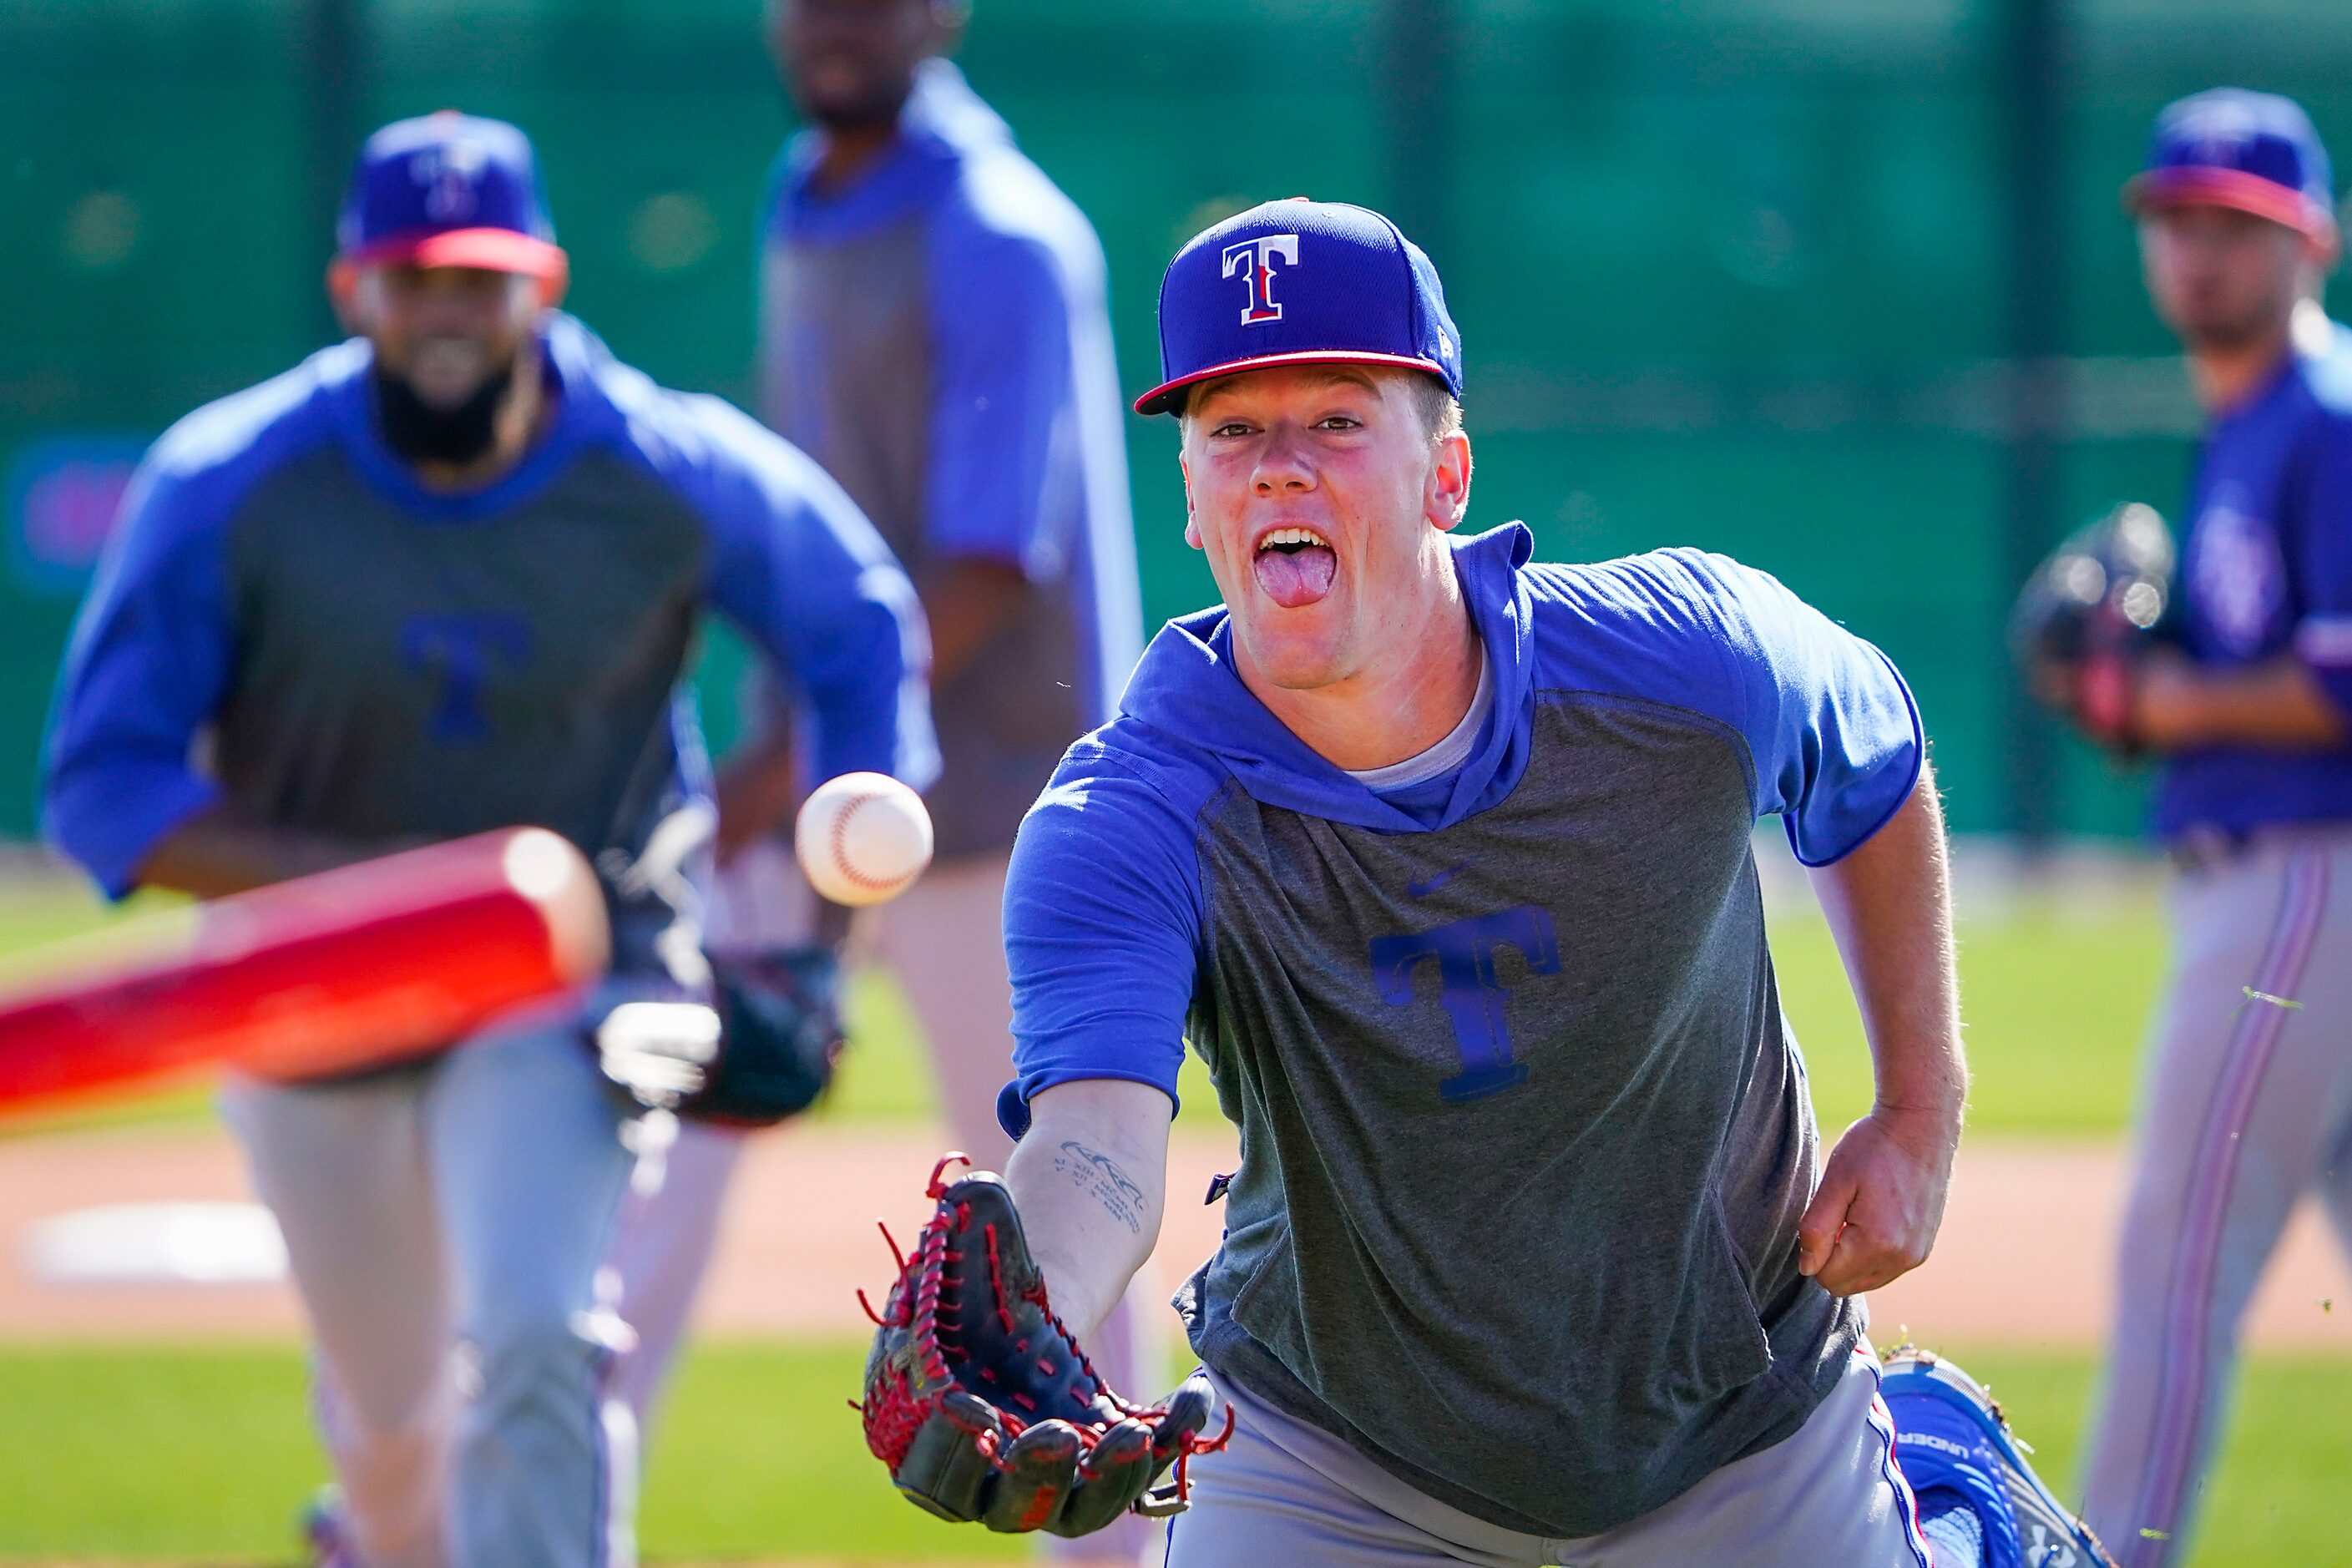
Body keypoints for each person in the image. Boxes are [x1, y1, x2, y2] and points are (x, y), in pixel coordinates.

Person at [912, 199, 2117, 1565]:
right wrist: (1042, 1306)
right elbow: (1095, 1137)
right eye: (1231, 430)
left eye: (1337, 420)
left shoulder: (1683, 663)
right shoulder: (1129, 813)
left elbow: (1876, 756)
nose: (1277, 469)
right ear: (1189, 497)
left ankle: (1937, 1512)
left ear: (1447, 473)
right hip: (1329, 1456)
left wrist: (1918, 1105)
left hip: (1740, 1426)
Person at [40, 111, 934, 1568]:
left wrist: (820, 927)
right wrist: (390, 904)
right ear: (353, 292)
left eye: (480, 278)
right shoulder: (233, 481)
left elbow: (854, 619)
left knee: (534, 1337)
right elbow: (103, 785)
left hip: (579, 979)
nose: (448, 310)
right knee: (394, 1420)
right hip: (312, 994)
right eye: (414, 279)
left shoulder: (653, 460)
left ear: (544, 285)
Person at [603, 3, 1154, 1554]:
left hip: (997, 811)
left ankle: (1123, 1555)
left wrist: (789, 761)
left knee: (1057, 1238)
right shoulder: (811, 192)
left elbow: (989, 562)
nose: (834, 20)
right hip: (822, 770)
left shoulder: (997, 231)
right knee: (640, 1170)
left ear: (939, 10)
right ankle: (489, 1522)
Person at [2041, 89, 2352, 1567]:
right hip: (2288, 875)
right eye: (2176, 221)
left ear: (2314, 243)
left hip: (2305, 877)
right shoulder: (2249, 426)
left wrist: (2155, 699)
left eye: (2236, 225)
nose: (2197, 253)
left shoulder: (2329, 420)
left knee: (2177, 1259)